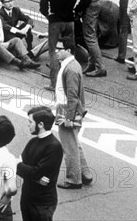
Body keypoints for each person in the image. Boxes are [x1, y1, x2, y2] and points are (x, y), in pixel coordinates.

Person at [39, 0, 91, 90]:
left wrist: (48, 15)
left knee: (53, 52)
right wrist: (77, 10)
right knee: (70, 51)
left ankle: (54, 83)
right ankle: (70, 81)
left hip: (55, 21)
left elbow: (43, 4)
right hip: (69, 21)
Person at [53, 39, 92, 190]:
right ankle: (85, 174)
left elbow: (72, 96)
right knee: (74, 142)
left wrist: (69, 117)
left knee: (69, 146)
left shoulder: (70, 69)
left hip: (67, 109)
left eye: (60, 49)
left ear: (68, 51)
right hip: (71, 109)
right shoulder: (72, 65)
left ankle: (74, 179)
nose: (57, 51)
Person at [17, 106, 64, 221]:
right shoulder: (33, 141)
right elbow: (33, 173)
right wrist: (35, 176)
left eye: (30, 122)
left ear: (41, 124)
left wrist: (19, 165)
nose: (28, 125)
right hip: (27, 197)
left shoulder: (54, 147)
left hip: (42, 203)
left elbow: (32, 171)